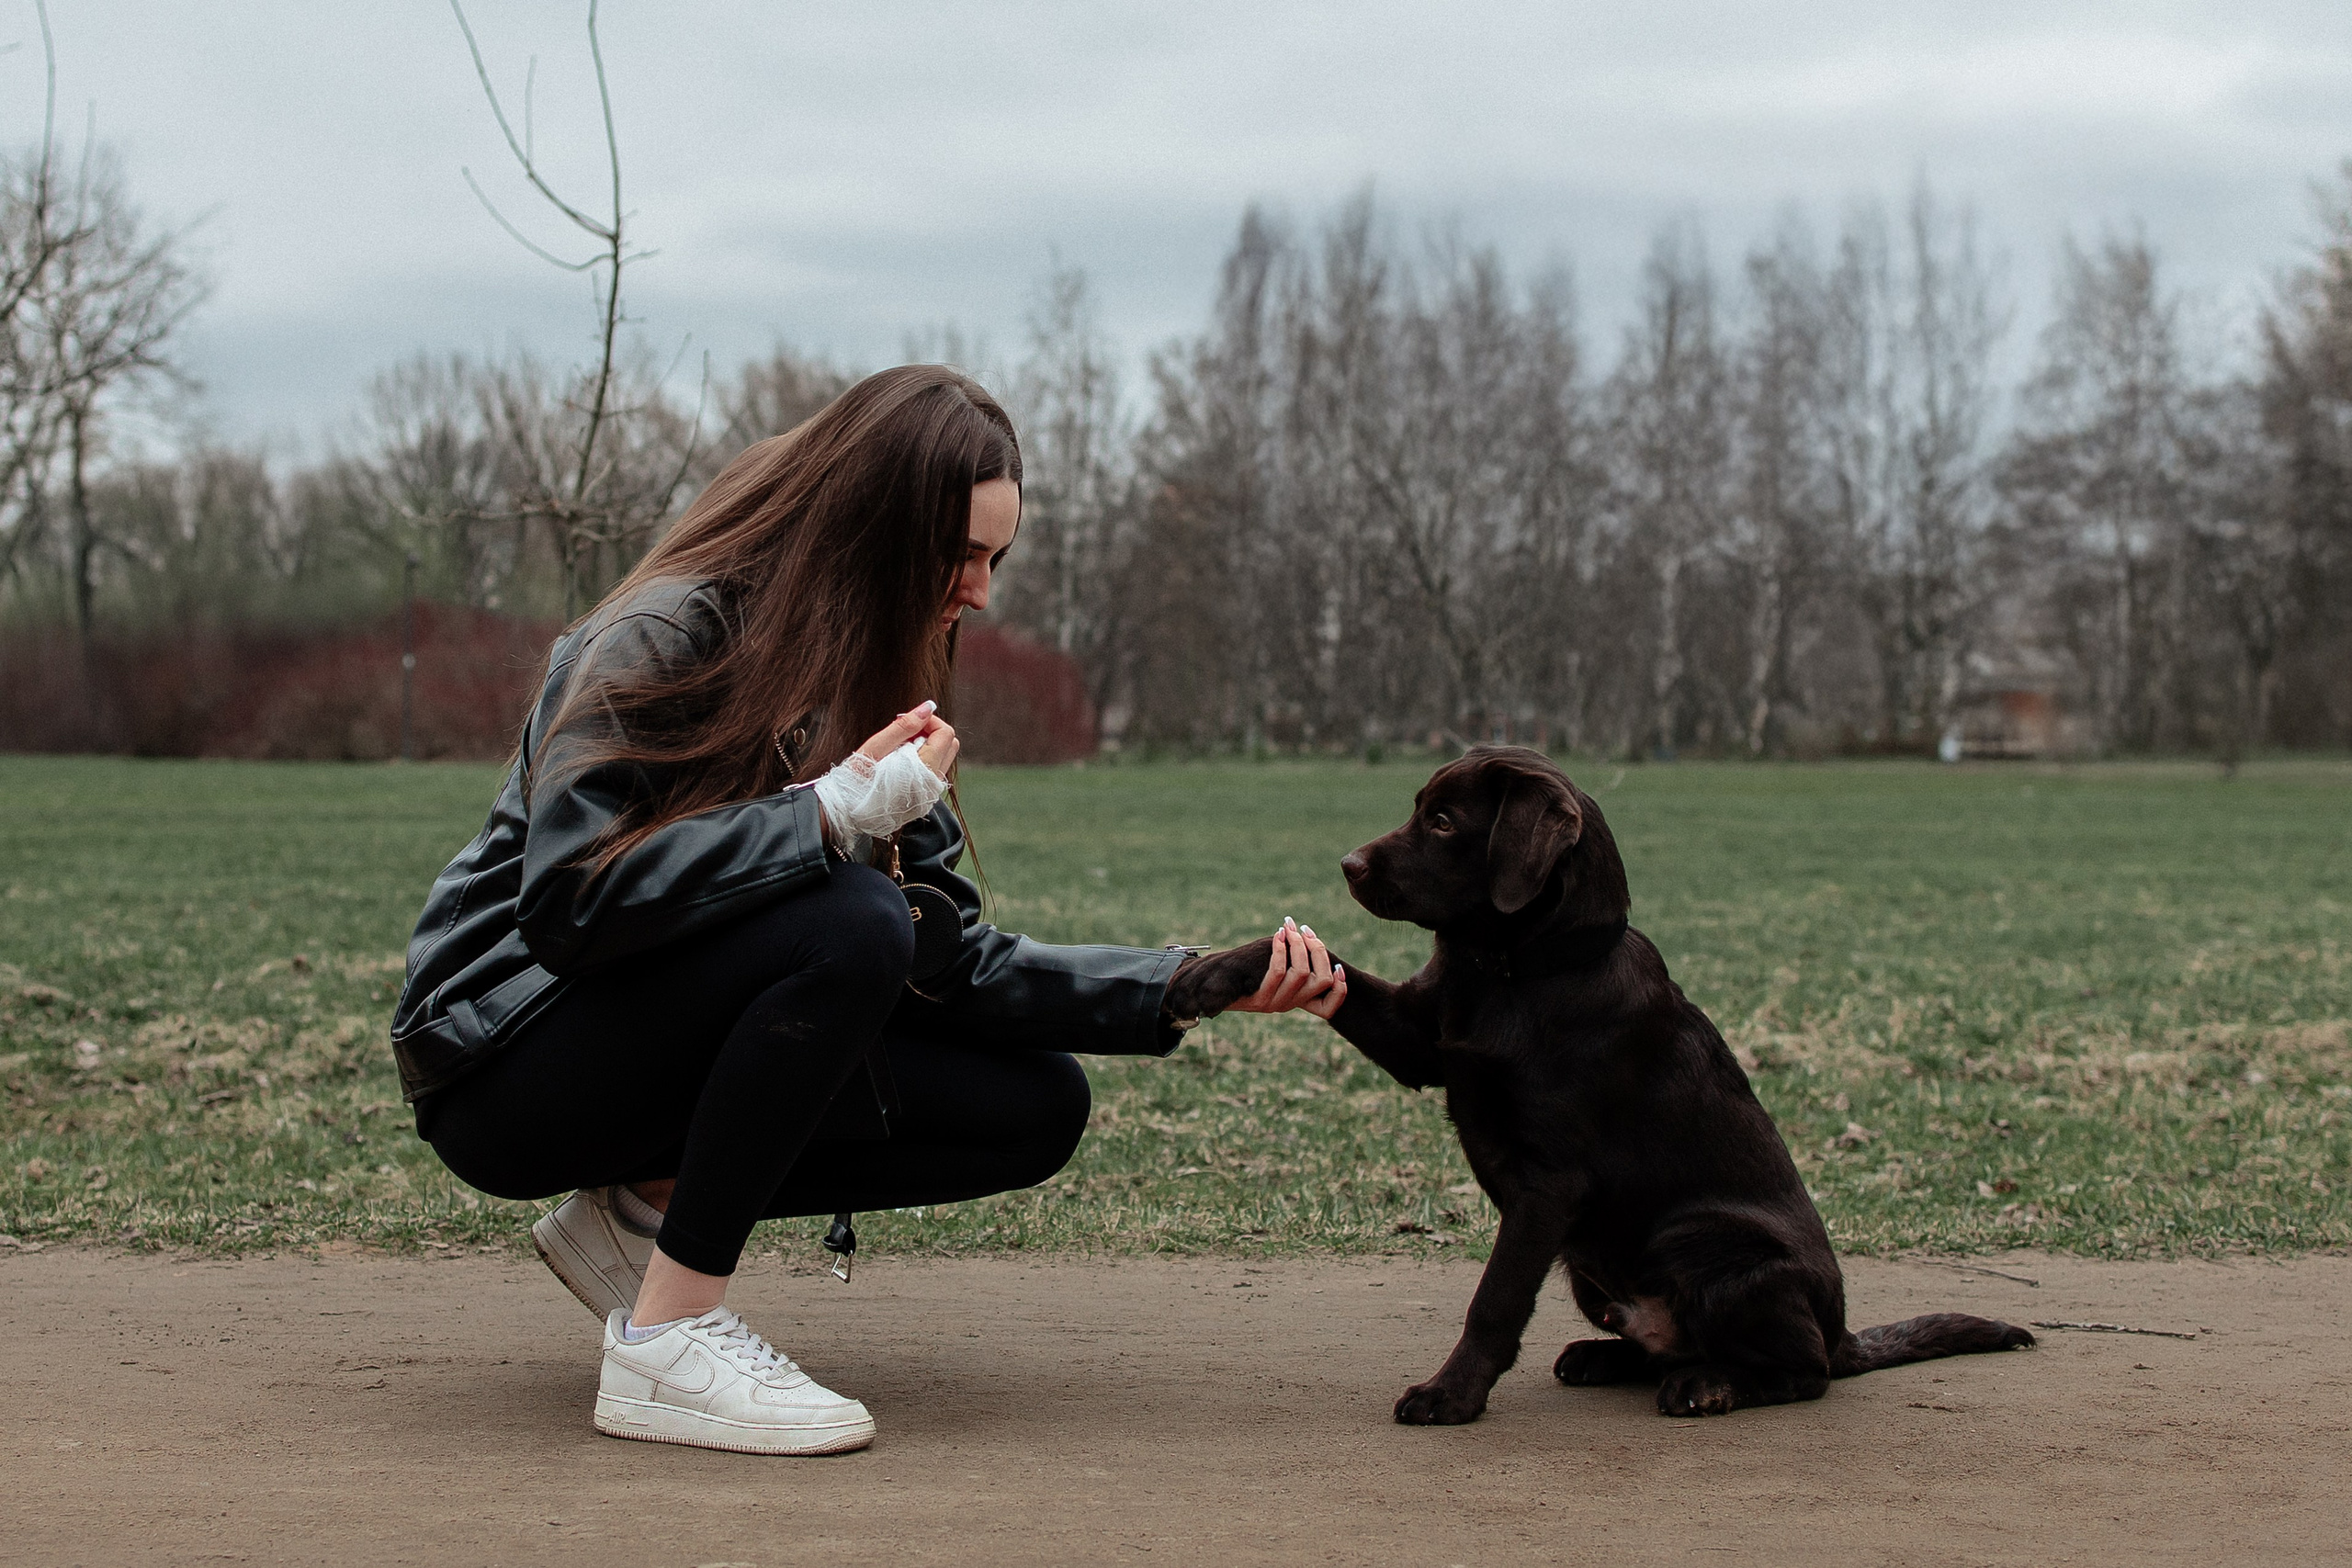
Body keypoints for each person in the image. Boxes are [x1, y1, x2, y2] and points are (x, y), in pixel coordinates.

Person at [389, 366, 1344, 1457]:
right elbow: (571, 898)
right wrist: (830, 811)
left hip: (622, 1041)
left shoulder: (868, 672)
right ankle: (667, 1341)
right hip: (499, 1058)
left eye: (995, 560)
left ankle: (640, 1212)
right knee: (850, 920)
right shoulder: (663, 628)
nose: (979, 591)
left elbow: (946, 959)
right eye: (961, 553)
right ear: (876, 522)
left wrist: (1185, 982)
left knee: (1030, 1103)